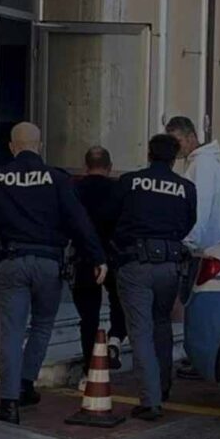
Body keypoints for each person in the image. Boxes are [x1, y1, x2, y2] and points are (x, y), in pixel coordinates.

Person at [0, 122, 107, 425]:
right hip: (49, 263)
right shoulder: (57, 178)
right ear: (39, 146)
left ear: (12, 147)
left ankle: (9, 402)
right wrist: (97, 257)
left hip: (11, 261)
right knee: (42, 325)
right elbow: (79, 220)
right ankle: (26, 385)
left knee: (12, 332)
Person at [112, 134, 197, 421]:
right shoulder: (186, 188)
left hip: (135, 264)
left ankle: (150, 401)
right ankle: (163, 387)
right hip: (170, 266)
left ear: (149, 154)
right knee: (162, 324)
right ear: (174, 159)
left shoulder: (129, 182)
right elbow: (188, 223)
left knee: (140, 331)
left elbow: (112, 218)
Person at [165, 116, 220, 380]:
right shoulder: (201, 163)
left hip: (200, 249)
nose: (175, 147)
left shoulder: (202, 165)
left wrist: (187, 242)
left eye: (177, 141)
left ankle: (199, 359)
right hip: (205, 246)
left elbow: (199, 207)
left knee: (196, 306)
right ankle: (197, 357)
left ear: (191, 137)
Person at [73, 146, 127, 390]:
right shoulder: (119, 190)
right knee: (120, 303)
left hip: (85, 257)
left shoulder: (74, 189)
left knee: (89, 317)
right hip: (115, 256)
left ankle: (89, 370)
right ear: (110, 167)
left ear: (85, 167)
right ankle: (114, 340)